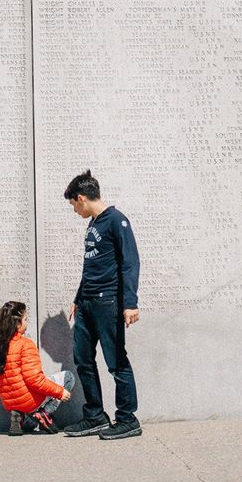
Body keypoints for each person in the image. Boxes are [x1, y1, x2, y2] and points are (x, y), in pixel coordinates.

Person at [61, 170, 142, 440]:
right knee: (82, 359)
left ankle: (127, 419)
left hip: (107, 303)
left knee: (116, 362)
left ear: (82, 198)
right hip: (86, 303)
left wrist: (130, 303)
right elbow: (91, 266)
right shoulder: (94, 223)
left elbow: (130, 263)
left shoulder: (116, 221)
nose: (74, 210)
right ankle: (95, 415)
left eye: (73, 204)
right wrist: (78, 297)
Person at [0, 300, 75, 436]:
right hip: (31, 401)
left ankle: (19, 416)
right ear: (17, 324)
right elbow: (35, 380)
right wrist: (60, 392)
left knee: (26, 398)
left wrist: (13, 392)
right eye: (25, 319)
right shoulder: (25, 344)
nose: (27, 323)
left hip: (10, 402)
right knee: (68, 377)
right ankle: (44, 413)